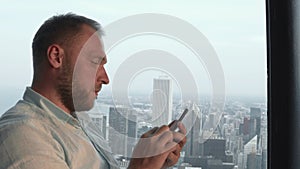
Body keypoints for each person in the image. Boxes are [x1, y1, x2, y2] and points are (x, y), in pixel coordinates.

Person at [0, 13, 186, 169]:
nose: (105, 78)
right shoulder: (22, 135)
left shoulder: (81, 122)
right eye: (95, 62)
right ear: (56, 57)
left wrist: (154, 161)